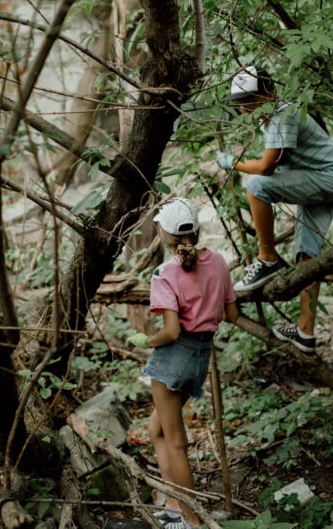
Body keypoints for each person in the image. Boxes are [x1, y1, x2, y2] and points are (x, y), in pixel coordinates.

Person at [217, 66, 333, 353]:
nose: (245, 109)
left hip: (330, 177)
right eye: (241, 103)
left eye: (250, 101)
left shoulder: (283, 114)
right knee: (308, 256)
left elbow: (267, 168)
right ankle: (306, 332)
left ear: (270, 94)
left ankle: (267, 260)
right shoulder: (269, 118)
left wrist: (231, 163)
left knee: (255, 185)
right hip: (317, 180)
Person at [127, 198, 238, 529]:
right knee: (155, 427)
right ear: (196, 231)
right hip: (201, 357)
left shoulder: (165, 272)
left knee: (176, 442)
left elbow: (171, 331)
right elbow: (231, 314)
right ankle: (173, 502)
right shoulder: (218, 261)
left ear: (163, 233)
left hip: (174, 358)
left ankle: (191, 520)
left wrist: (145, 341)